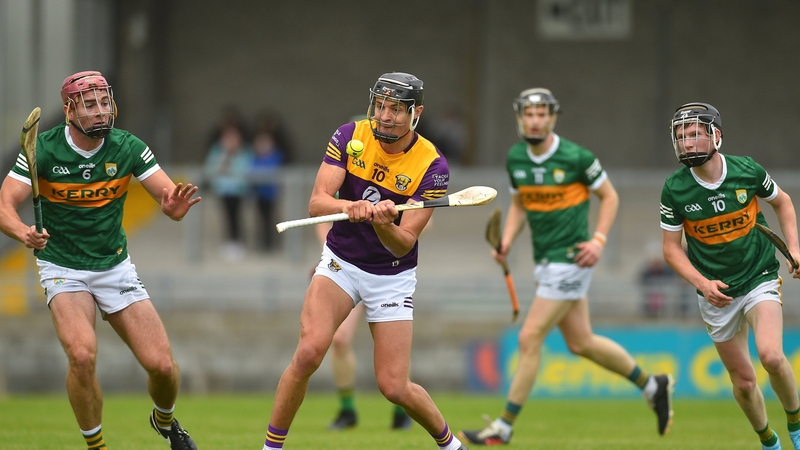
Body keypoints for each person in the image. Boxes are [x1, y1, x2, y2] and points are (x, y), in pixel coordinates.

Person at [261, 72, 467, 450]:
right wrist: (350, 205)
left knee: (394, 386)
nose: (385, 116)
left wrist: (384, 221)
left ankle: (452, 446)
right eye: (380, 106)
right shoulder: (349, 135)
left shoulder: (432, 166)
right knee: (309, 352)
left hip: (391, 275)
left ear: (416, 113)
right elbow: (318, 202)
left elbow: (404, 243)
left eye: (396, 109)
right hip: (341, 262)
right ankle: (271, 448)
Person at [459, 88, 673, 445]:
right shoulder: (516, 158)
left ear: (553, 117)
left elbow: (610, 197)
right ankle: (653, 385)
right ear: (520, 118)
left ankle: (504, 426)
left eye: (542, 113)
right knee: (581, 343)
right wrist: (508, 240)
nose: (535, 120)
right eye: (529, 114)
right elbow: (519, 205)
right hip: (545, 259)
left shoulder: (576, 157)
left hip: (572, 259)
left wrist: (599, 240)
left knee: (529, 338)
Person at [0, 71, 200, 449]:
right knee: (81, 354)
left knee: (161, 366)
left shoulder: (127, 146)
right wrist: (22, 232)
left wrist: (173, 207)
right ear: (69, 110)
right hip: (62, 267)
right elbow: (4, 205)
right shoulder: (42, 149)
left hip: (114, 266)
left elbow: (167, 198)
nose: (101, 112)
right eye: (90, 105)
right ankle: (97, 446)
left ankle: (164, 419)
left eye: (104, 102)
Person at [660, 102, 800, 450]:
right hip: (715, 291)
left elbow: (782, 202)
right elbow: (671, 249)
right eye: (681, 136)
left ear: (716, 136)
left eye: (694, 134)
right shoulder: (675, 189)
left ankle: (797, 430)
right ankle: (769, 441)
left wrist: (795, 249)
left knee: (770, 355)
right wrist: (702, 283)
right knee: (744, 382)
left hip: (758, 275)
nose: (687, 142)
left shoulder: (746, 171)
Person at [316, 219, 413, 431]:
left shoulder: (409, 186)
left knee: (393, 346)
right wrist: (334, 253)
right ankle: (347, 410)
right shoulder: (344, 184)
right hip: (349, 269)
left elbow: (422, 223)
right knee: (340, 339)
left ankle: (400, 410)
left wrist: (392, 240)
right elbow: (322, 215)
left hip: (387, 275)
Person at [203, 120, 253, 260]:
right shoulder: (217, 150)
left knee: (236, 215)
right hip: (223, 190)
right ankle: (229, 242)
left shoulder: (245, 151)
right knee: (227, 216)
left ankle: (237, 242)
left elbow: (246, 169)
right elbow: (210, 168)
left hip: (238, 190)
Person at [250, 127, 284, 252]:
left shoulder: (275, 156)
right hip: (259, 194)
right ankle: (262, 242)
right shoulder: (255, 157)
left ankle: (270, 243)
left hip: (271, 194)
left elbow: (273, 171)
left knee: (270, 219)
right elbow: (252, 171)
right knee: (260, 219)